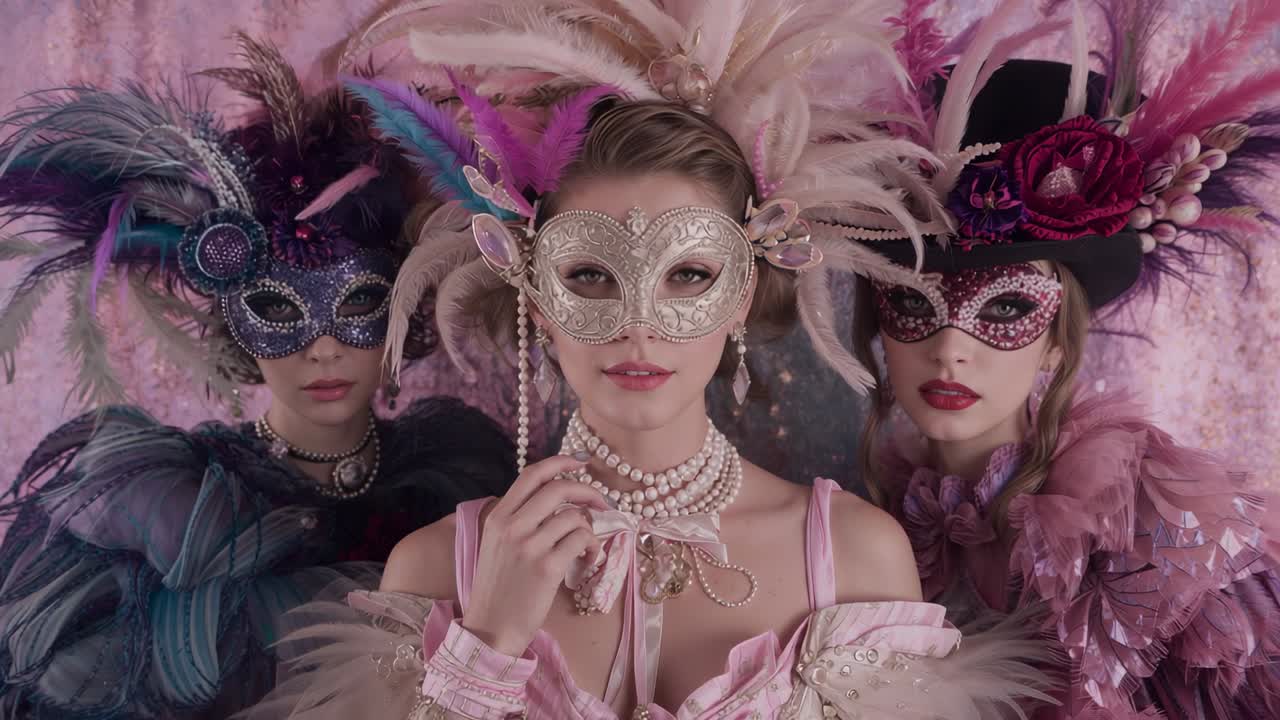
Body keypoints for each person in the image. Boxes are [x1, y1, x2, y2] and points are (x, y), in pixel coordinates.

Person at [247, 3, 1058, 719]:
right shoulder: (437, 567)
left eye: (690, 275)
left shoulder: (853, 557)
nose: (640, 328)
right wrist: (485, 645)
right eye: (591, 275)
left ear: (741, 291)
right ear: (534, 294)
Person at [0, 34, 514, 718]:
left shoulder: (461, 479)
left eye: (359, 302)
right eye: (278, 309)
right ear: (232, 317)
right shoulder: (165, 512)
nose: (323, 349)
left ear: (407, 299)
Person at [833, 3, 1280, 717]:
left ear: (1060, 337)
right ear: (875, 324)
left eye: (1007, 308)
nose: (950, 349)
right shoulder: (874, 529)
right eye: (914, 304)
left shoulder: (1148, 536)